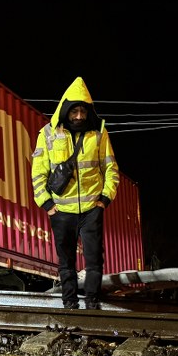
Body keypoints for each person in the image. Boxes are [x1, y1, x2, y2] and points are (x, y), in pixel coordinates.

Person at [31, 77, 120, 309]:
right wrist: (47, 204)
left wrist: (104, 199)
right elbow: (38, 172)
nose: (79, 116)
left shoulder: (98, 133)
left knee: (94, 261)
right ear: (66, 110)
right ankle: (69, 304)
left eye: (83, 111)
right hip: (61, 210)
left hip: (92, 208)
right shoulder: (48, 134)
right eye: (74, 111)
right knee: (66, 261)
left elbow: (111, 168)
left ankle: (92, 303)